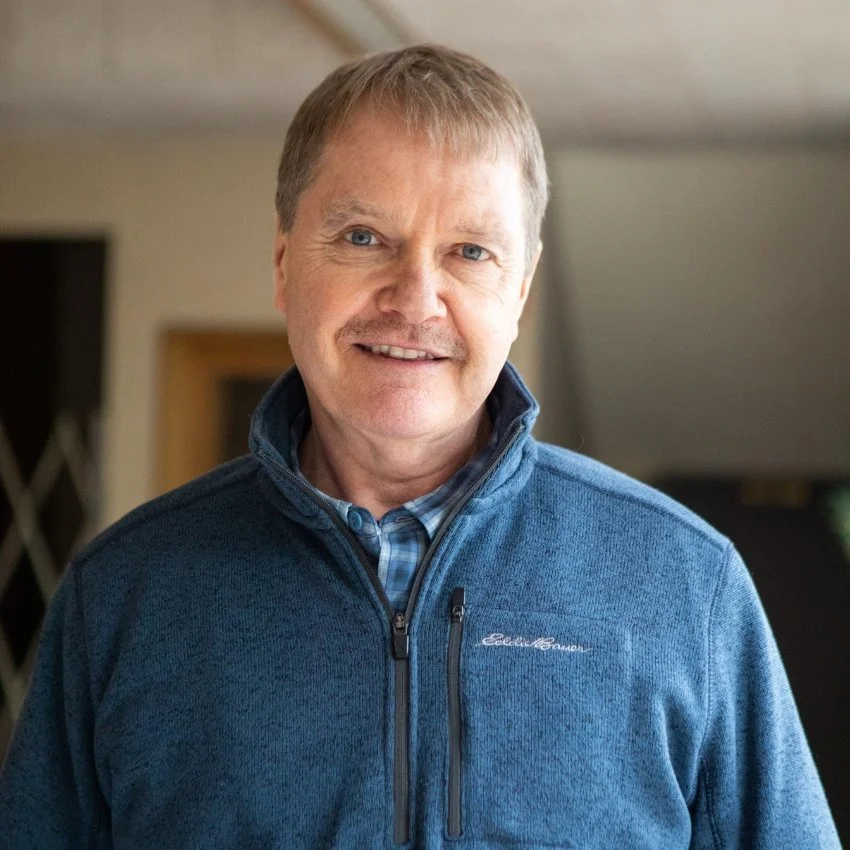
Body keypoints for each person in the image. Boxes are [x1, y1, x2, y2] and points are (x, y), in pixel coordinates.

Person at [0, 44, 840, 850]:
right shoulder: (123, 598)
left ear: (520, 289)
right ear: (286, 262)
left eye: (469, 252)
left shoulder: (685, 586)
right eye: (365, 237)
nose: (415, 299)